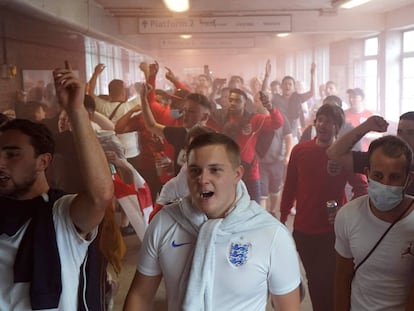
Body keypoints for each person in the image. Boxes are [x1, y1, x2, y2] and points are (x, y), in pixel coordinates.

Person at [124, 132, 301, 311]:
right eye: (195, 171)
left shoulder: (272, 235)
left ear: (237, 174)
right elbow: (140, 296)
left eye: (215, 170)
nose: (203, 179)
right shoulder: (165, 223)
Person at [0, 65, 113, 309]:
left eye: (12, 155)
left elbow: (100, 196)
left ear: (43, 161)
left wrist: (76, 111)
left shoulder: (60, 215)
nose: (1, 163)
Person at [280, 103, 368, 311]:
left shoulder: (343, 154)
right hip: (303, 231)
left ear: (337, 127)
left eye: (328, 121)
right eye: (320, 120)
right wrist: (282, 218)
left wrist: (349, 215)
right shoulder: (300, 151)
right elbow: (290, 186)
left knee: (333, 280)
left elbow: (361, 186)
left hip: (334, 232)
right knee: (315, 280)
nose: (322, 124)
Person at [334, 135, 414, 311]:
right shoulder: (348, 215)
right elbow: (343, 276)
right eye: (378, 175)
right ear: (367, 174)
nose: (385, 184)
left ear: (408, 180)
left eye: (394, 177)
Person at [326, 112, 414, 196]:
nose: (403, 138)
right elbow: (334, 152)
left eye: (411, 133)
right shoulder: (383, 159)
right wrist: (367, 126)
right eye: (400, 132)